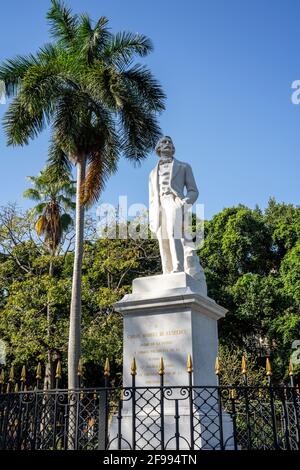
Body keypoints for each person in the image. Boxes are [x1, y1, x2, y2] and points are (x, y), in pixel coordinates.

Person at [149, 136, 207, 295]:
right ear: (158, 148)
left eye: (170, 142)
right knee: (163, 238)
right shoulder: (152, 173)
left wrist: (184, 202)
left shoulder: (183, 166)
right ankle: (167, 270)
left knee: (175, 233)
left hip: (174, 201)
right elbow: (152, 196)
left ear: (173, 148)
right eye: (163, 142)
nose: (167, 144)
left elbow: (194, 190)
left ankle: (178, 267)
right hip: (158, 206)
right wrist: (152, 217)